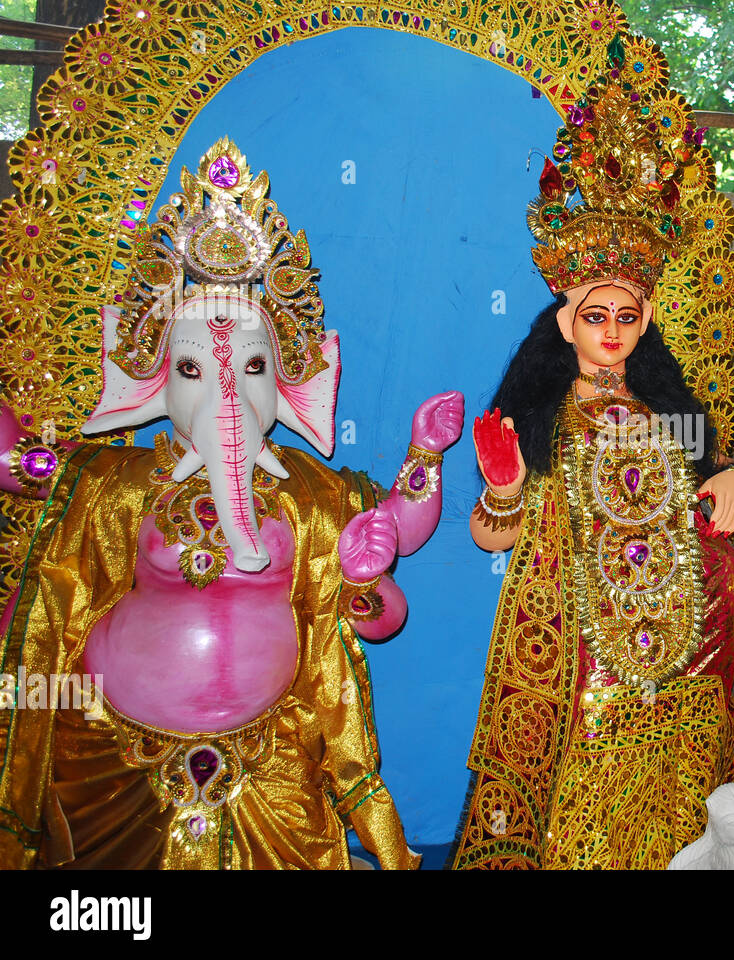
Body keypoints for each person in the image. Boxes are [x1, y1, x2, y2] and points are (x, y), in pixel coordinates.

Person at [0, 138, 463, 868]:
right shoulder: (115, 484)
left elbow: (393, 543)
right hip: (115, 762)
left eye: (253, 365)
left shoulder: (310, 494)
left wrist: (424, 459)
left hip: (268, 761)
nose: (226, 391)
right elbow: (25, 478)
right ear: (152, 382)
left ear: (288, 384)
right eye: (193, 367)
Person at [449, 65, 734, 869]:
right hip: (584, 649)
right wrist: (509, 492)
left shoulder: (667, 411)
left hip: (684, 644)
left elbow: (711, 481)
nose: (612, 330)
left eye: (626, 315)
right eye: (595, 315)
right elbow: (490, 539)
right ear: (566, 321)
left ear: (646, 318)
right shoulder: (543, 417)